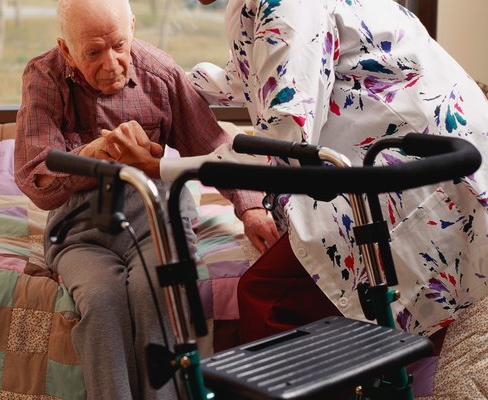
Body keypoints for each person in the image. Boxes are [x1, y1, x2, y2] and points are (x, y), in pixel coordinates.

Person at [13, 0, 279, 398]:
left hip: (154, 217)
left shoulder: (161, 72)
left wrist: (253, 208)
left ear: (133, 27)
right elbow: (35, 177)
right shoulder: (44, 76)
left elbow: (213, 145)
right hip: (81, 227)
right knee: (102, 302)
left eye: (119, 45)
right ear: (66, 49)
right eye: (93, 52)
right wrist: (93, 154)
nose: (112, 63)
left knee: (156, 292)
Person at [190, 0, 488, 350]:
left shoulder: (288, 4)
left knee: (269, 297)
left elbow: (286, 132)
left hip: (427, 171)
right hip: (402, 158)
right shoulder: (251, 6)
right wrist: (172, 81)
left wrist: (166, 166)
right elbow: (249, 76)